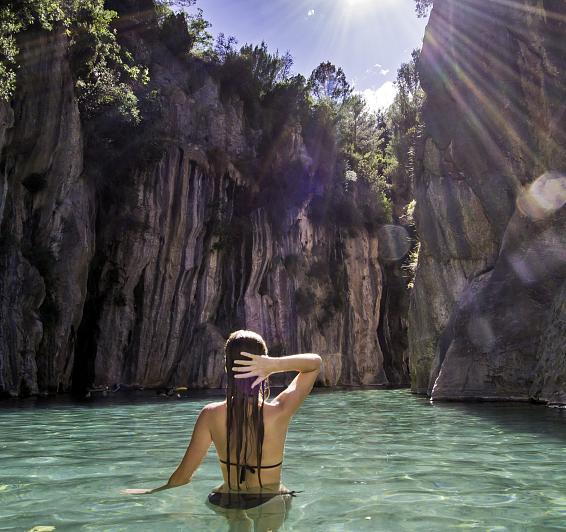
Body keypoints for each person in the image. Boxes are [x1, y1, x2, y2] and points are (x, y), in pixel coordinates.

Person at [124, 329, 321, 531]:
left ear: (227, 369)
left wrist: (152, 492)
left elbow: (182, 477)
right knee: (284, 496)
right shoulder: (279, 411)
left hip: (225, 499)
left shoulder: (210, 414)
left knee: (240, 519)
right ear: (263, 365)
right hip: (268, 500)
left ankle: (240, 521)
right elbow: (314, 364)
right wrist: (273, 365)